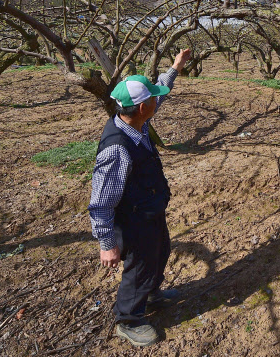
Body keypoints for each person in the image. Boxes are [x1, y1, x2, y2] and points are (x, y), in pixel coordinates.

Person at [88, 49, 191, 347]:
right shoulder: (118, 148)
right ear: (144, 106)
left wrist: (175, 67)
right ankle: (129, 319)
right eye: (153, 99)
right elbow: (102, 202)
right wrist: (107, 244)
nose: (159, 101)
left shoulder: (134, 120)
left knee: (160, 253)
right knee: (140, 268)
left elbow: (162, 93)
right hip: (133, 221)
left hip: (149, 210)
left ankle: (152, 294)